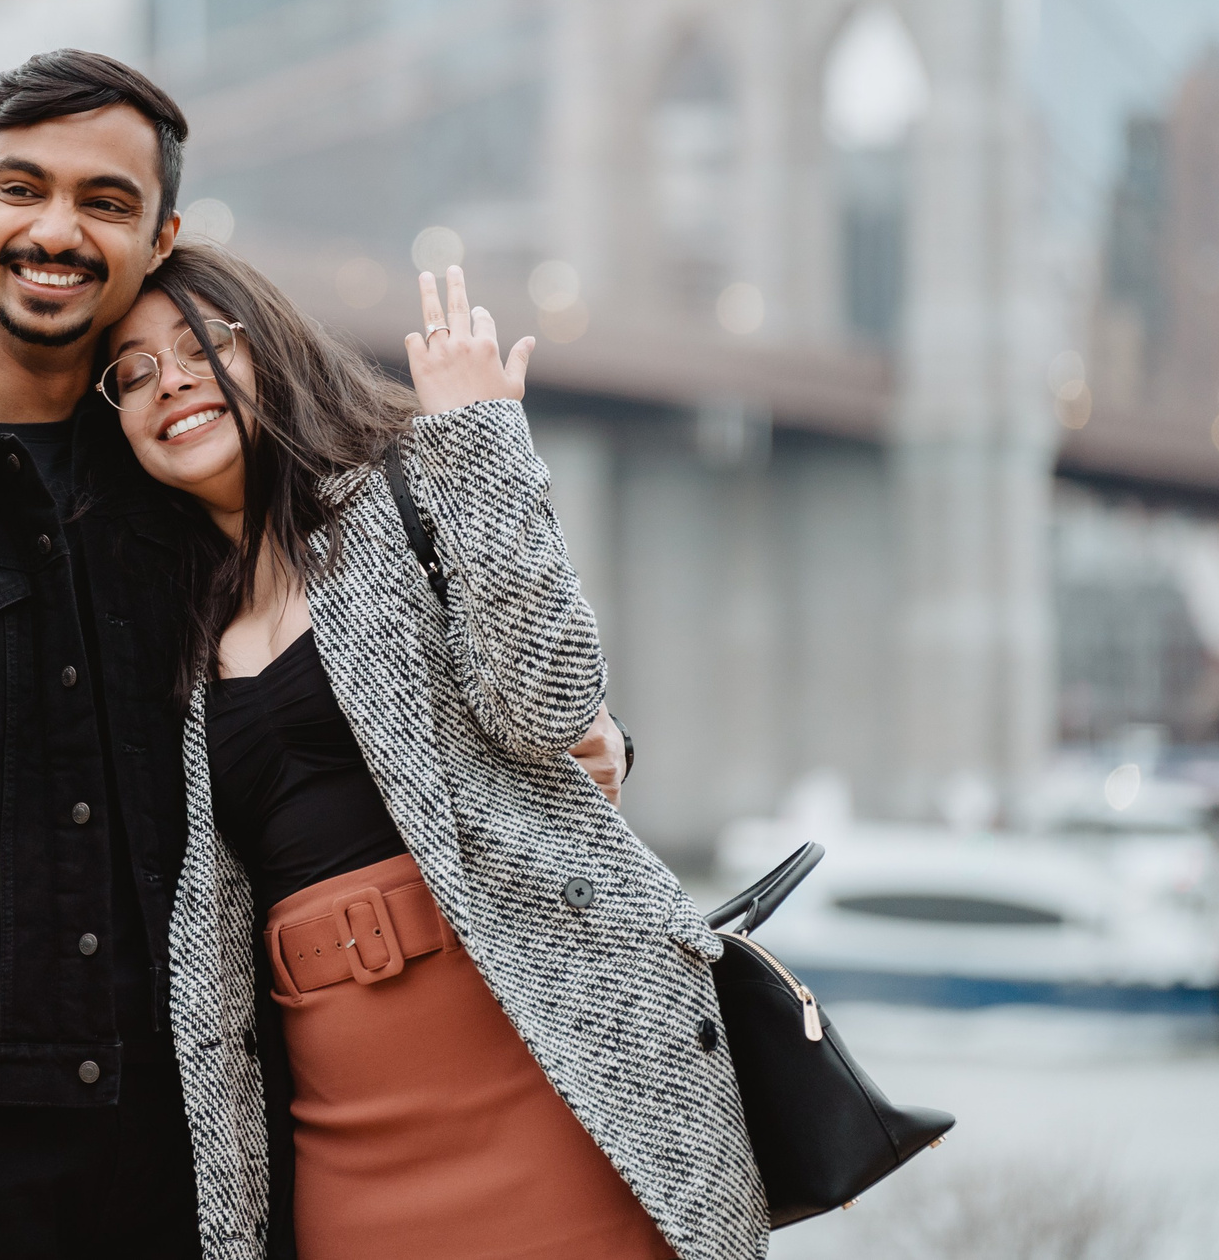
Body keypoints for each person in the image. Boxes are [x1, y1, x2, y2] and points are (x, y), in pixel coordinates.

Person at [0, 48, 625, 1260]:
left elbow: (367, 695)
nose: (56, 230)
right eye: (23, 189)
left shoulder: (174, 477)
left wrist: (582, 747)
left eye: (105, 202)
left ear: (159, 239)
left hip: (220, 1150)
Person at [98, 244, 767, 1260]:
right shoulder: (158, 619)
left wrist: (482, 435)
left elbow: (547, 704)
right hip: (346, 1131)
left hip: (553, 1074)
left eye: (198, 344)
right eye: (132, 373)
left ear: (266, 348)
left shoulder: (398, 494)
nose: (171, 381)